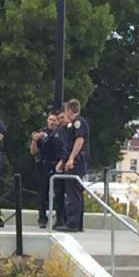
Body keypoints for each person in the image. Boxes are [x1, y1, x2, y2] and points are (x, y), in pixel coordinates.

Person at [56, 99, 90, 233]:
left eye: (65, 110)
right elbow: (69, 145)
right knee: (74, 193)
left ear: (69, 110)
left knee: (73, 193)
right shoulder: (71, 125)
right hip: (71, 160)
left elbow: (79, 140)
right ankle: (77, 223)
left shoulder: (78, 123)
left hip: (76, 162)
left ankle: (72, 223)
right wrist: (63, 161)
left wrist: (71, 159)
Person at [31, 111, 67, 228]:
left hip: (57, 164)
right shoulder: (43, 132)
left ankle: (60, 219)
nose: (51, 122)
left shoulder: (62, 132)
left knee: (59, 192)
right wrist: (35, 140)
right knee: (42, 192)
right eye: (50, 120)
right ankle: (42, 218)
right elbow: (33, 151)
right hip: (44, 164)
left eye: (54, 120)